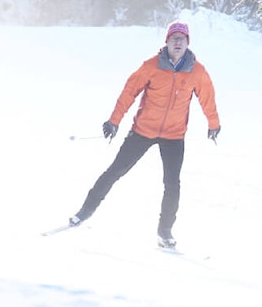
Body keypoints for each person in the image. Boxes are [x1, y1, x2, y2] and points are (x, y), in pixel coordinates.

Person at [69, 21, 221, 249]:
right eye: (174, 38)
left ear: (188, 43)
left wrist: (214, 124)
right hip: (143, 130)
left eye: (182, 38)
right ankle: (85, 211)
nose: (178, 42)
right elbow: (129, 91)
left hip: (174, 135)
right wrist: (114, 121)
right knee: (115, 171)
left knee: (172, 184)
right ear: (167, 42)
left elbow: (207, 97)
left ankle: (165, 231)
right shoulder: (151, 66)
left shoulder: (197, 71)